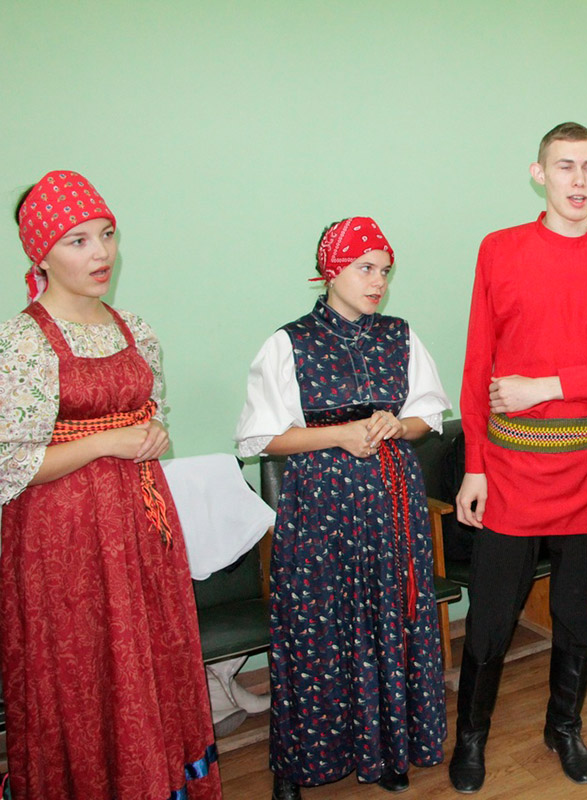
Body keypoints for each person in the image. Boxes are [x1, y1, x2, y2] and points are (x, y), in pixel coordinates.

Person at [450, 122, 587, 792]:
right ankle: (471, 738)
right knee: (491, 617)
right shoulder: (500, 249)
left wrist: (546, 386)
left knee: (575, 612)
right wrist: (474, 465)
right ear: (539, 173)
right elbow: (477, 363)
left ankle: (563, 727)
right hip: (511, 467)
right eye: (564, 166)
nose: (578, 180)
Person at [0, 171, 220, 799]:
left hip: (141, 525)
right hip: (63, 538)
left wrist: (151, 432)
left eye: (107, 234)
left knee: (151, 656)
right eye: (77, 241)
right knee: (83, 668)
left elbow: (148, 416)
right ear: (41, 254)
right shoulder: (21, 342)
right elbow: (11, 465)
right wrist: (105, 442)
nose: (100, 253)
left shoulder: (133, 329)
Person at [235, 216, 451, 799]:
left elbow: (427, 416)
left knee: (392, 618)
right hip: (320, 508)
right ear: (331, 271)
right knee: (316, 630)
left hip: (392, 503)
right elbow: (260, 437)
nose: (378, 282)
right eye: (365, 269)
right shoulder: (289, 343)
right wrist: (338, 435)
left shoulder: (401, 335)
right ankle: (297, 764)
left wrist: (395, 424)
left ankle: (391, 750)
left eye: (385, 271)